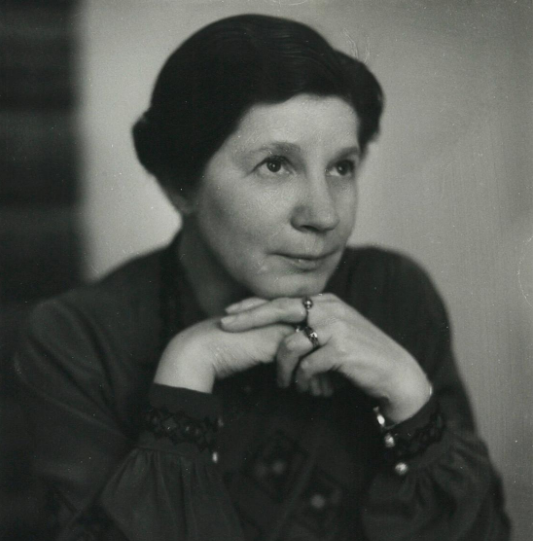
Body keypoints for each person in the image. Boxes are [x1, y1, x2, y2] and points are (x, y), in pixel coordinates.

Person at [12, 14, 510, 541]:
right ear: (181, 183)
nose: (323, 215)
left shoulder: (394, 294)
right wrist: (187, 371)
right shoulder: (79, 339)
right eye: (275, 165)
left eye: (342, 167)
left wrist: (409, 394)